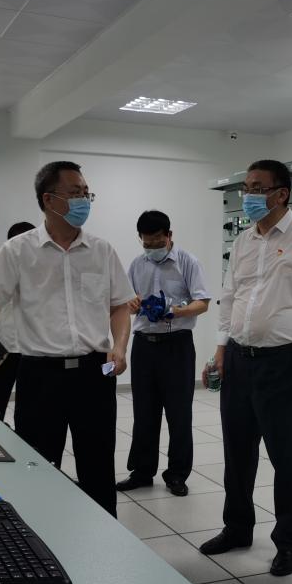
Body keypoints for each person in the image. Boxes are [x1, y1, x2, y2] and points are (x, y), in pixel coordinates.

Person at [0, 161, 133, 516]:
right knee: (38, 464)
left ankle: (106, 539)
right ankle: (40, 534)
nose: (84, 200)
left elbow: (120, 306)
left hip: (95, 374)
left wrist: (120, 346)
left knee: (98, 464)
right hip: (40, 375)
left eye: (87, 193)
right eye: (75, 193)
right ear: (49, 199)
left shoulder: (102, 250)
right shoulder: (18, 251)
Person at [198, 159, 292, 577]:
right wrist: (221, 350)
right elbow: (230, 296)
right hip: (240, 359)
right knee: (237, 453)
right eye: (246, 187)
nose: (248, 195)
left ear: (281, 193)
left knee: (288, 457)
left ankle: (290, 542)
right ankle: (237, 528)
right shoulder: (243, 240)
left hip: (284, 361)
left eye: (257, 187)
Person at [116, 210, 211, 497]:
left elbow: (202, 302)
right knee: (144, 412)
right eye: (147, 243)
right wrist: (132, 303)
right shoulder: (137, 264)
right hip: (144, 345)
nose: (152, 247)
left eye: (157, 241)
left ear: (169, 235)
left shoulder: (188, 262)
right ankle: (142, 471)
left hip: (177, 345)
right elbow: (125, 300)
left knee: (179, 413)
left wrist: (175, 311)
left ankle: (177, 474)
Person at [0, 221, 36, 421]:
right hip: (4, 346)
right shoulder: (0, 270)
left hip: (34, 350)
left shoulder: (43, 270)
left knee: (30, 407)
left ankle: (24, 440)